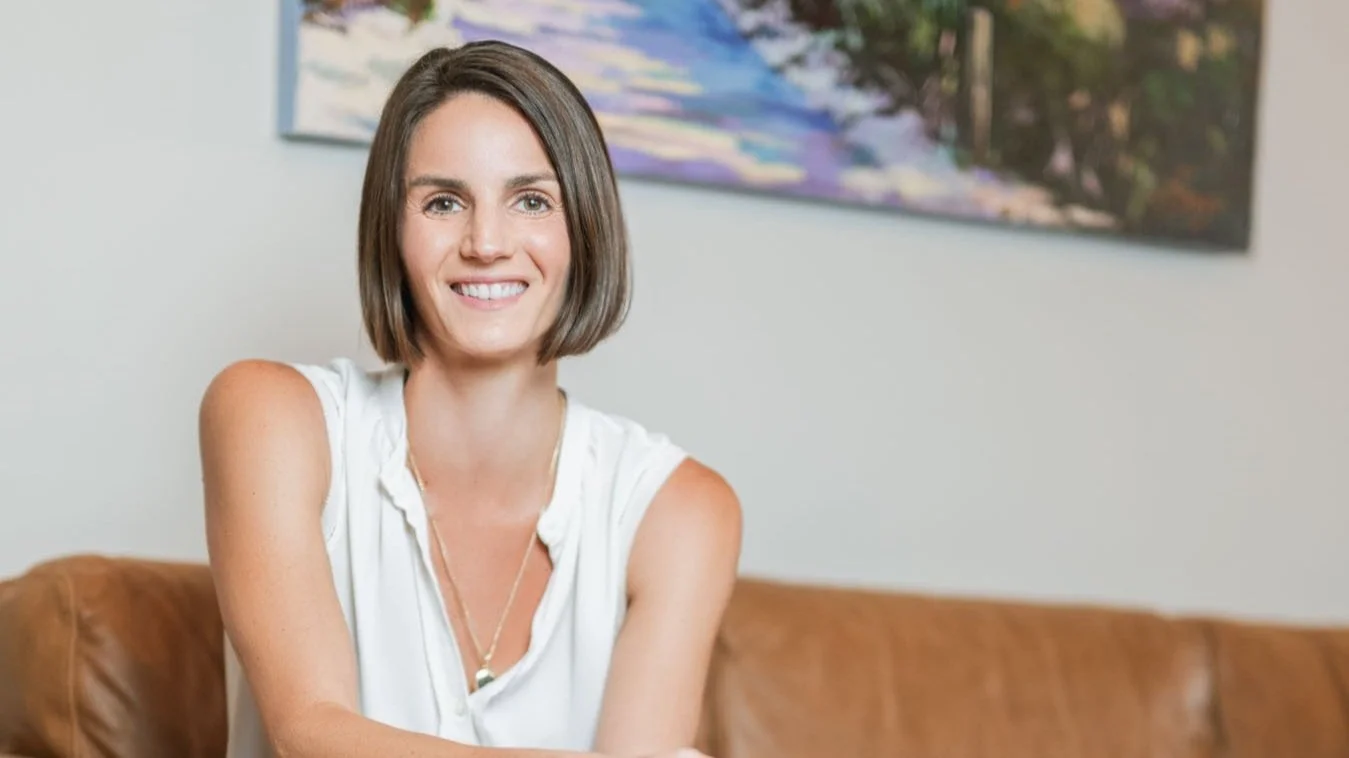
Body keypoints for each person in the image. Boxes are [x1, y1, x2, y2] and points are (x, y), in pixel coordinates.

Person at [199, 40, 742, 758]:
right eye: (444, 201)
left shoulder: (679, 511)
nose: (486, 243)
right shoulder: (270, 418)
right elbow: (312, 735)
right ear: (392, 232)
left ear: (583, 229)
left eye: (530, 200)